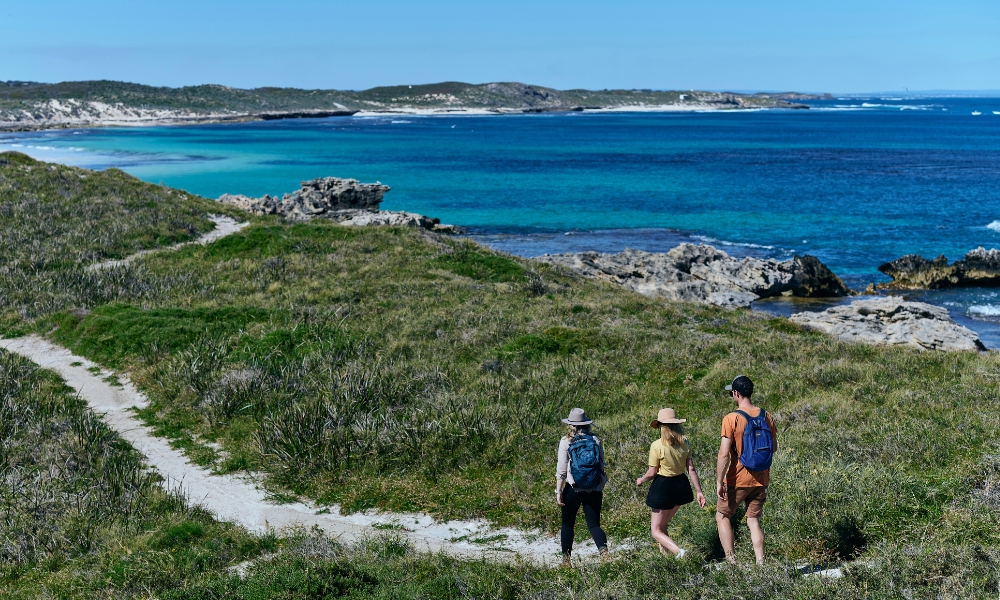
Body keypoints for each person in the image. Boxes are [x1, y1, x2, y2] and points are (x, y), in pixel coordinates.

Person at [715, 375, 777, 564]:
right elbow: (773, 447)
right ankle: (760, 563)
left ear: (736, 393)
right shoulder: (766, 415)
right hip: (761, 478)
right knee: (753, 520)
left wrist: (719, 481)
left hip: (737, 479)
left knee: (722, 515)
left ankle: (732, 562)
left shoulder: (731, 418)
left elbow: (724, 454)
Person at [636, 407, 707, 559]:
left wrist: (641, 480)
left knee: (655, 531)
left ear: (662, 426)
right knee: (662, 527)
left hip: (663, 487)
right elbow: (691, 469)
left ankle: (679, 553)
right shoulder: (684, 442)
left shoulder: (657, 445)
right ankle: (666, 559)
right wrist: (699, 491)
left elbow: (652, 472)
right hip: (681, 486)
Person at [556, 407, 609, 566]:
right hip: (594, 488)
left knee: (567, 524)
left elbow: (562, 470)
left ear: (570, 425)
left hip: (573, 488)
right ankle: (604, 554)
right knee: (593, 525)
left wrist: (558, 490)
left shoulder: (566, 441)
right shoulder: (595, 439)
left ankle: (566, 562)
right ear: (586, 424)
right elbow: (601, 464)